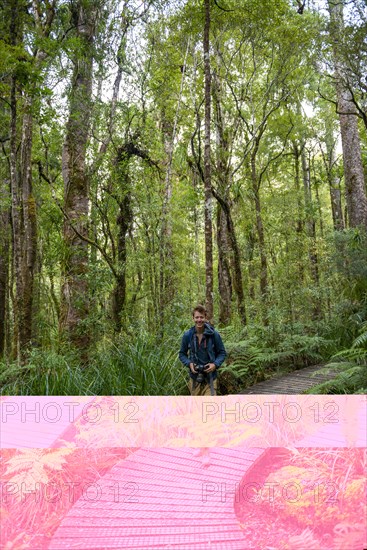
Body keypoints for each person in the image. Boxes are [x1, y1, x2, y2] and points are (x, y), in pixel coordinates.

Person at [179, 304, 227, 396]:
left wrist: (215, 364)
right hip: (194, 378)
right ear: (193, 318)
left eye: (201, 317)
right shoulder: (187, 335)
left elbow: (222, 353)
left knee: (209, 406)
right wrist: (189, 364)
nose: (199, 320)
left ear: (205, 318)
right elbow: (182, 354)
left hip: (210, 378)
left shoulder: (214, 335)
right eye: (197, 317)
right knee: (196, 407)